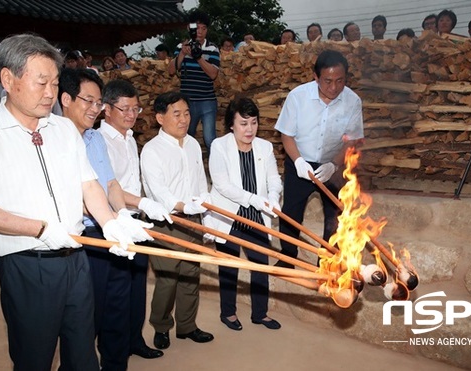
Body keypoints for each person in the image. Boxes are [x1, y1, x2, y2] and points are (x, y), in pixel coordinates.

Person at [0, 33, 143, 370]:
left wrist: (112, 222)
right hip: (27, 265)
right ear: (8, 79)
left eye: (54, 82)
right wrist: (40, 228)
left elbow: (88, 184)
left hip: (76, 260)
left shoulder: (63, 130)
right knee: (34, 358)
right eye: (41, 83)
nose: (51, 93)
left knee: (83, 355)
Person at [58, 68, 159, 370]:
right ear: (65, 99)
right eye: (88, 100)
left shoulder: (94, 139)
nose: (95, 108)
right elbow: (80, 196)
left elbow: (111, 184)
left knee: (117, 309)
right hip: (84, 239)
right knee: (88, 316)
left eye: (98, 102)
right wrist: (111, 221)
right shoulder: (53, 141)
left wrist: (123, 216)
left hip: (111, 231)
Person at [98, 78, 172, 361]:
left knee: (136, 286)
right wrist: (141, 202)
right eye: (125, 108)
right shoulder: (99, 140)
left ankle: (134, 340)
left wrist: (143, 208)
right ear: (107, 109)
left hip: (136, 221)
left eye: (136, 109)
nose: (131, 115)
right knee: (115, 295)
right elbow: (109, 185)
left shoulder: (129, 138)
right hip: (115, 224)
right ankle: (113, 354)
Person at [273, 49, 364, 268]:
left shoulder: (352, 101)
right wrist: (298, 162)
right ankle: (287, 256)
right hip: (300, 160)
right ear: (315, 77)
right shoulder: (298, 96)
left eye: (340, 81)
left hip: (334, 163)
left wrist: (334, 164)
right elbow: (287, 134)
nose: (334, 87)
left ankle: (328, 261)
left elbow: (351, 140)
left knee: (335, 214)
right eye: (328, 81)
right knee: (291, 212)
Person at [140, 91, 214, 350]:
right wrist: (183, 205)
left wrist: (204, 209)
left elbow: (200, 182)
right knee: (168, 277)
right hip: (166, 222)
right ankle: (161, 326)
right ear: (160, 118)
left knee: (191, 274)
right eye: (176, 114)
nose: (183, 120)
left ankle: (187, 326)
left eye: (186, 113)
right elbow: (160, 192)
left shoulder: (193, 144)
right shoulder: (151, 151)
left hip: (193, 219)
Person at [209, 97, 282, 331]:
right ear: (231, 124)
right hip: (230, 216)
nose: (249, 129)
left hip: (257, 217)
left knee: (261, 266)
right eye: (243, 123)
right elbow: (222, 185)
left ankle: (260, 313)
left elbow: (273, 179)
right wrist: (253, 199)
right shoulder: (219, 146)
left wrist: (273, 198)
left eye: (253, 122)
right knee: (229, 267)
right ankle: (228, 313)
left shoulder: (265, 147)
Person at [167, 10, 220, 151]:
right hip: (187, 102)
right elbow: (172, 70)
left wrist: (198, 58)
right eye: (197, 28)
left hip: (207, 100)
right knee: (185, 136)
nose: (200, 32)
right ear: (189, 28)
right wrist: (183, 53)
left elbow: (213, 74)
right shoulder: (181, 47)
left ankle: (215, 168)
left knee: (210, 139)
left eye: (203, 28)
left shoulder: (212, 48)